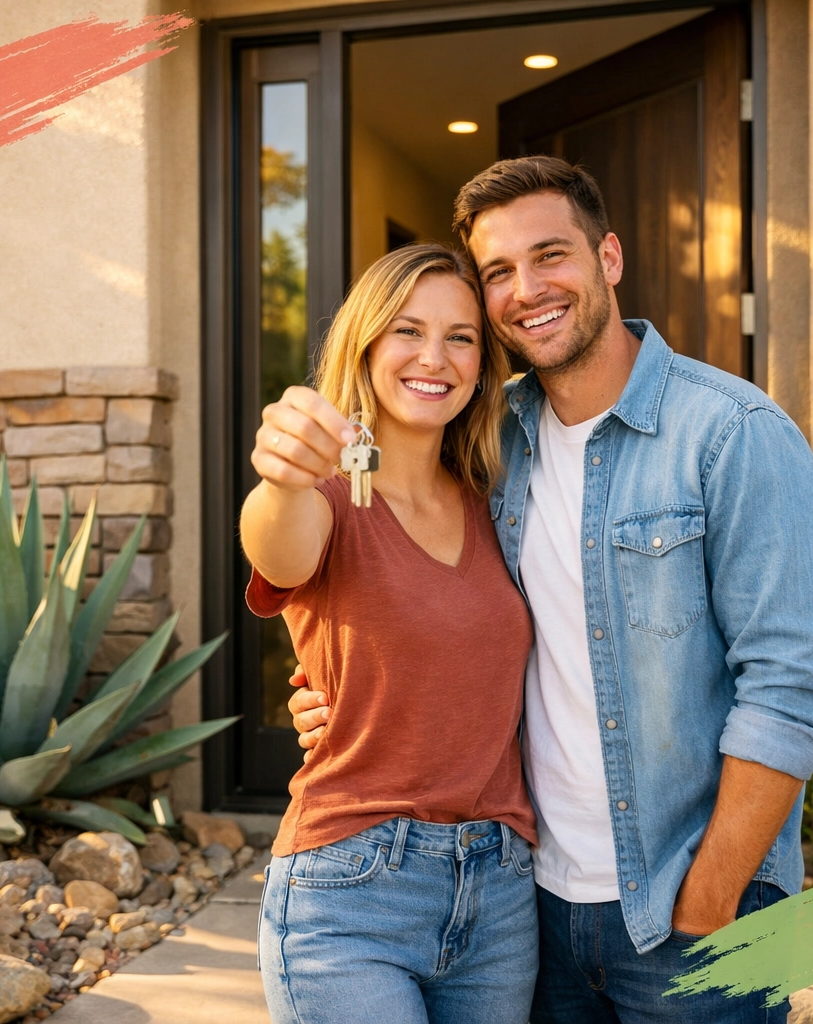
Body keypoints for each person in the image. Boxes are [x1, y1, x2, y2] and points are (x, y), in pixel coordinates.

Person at [289, 156, 813, 1024]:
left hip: (693, 912)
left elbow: (792, 691)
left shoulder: (733, 434)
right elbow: (425, 609)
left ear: (609, 259)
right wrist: (340, 690)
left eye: (551, 255)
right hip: (529, 909)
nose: (526, 289)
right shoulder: (489, 439)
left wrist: (708, 901)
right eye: (499, 272)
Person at [239, 242, 540, 1024]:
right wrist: (282, 475)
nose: (433, 356)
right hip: (351, 887)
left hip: (501, 893)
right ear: (365, 345)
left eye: (462, 336)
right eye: (407, 330)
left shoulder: (494, 501)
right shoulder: (327, 497)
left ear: (483, 361)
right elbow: (277, 542)